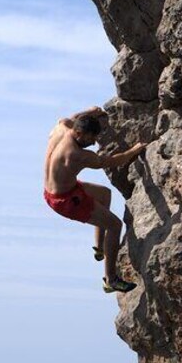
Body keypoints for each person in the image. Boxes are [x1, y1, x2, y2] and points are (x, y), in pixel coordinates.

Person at [43, 106, 147, 293]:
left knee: (104, 194)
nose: (93, 143)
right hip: (66, 201)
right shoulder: (77, 155)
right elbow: (114, 161)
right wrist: (136, 149)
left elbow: (72, 117)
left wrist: (90, 111)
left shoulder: (62, 127)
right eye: (91, 139)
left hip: (56, 189)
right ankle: (111, 279)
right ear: (79, 133)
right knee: (115, 225)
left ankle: (99, 248)